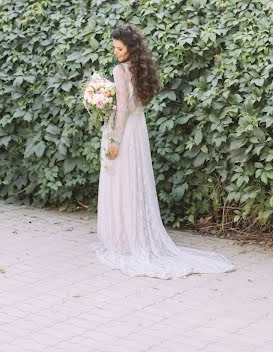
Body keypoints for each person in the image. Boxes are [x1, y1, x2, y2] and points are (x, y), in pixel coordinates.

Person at [92, 23, 235, 279]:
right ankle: (132, 235)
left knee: (121, 182)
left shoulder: (119, 71)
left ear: (130, 48)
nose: (115, 52)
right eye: (114, 48)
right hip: (139, 129)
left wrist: (114, 140)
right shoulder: (141, 69)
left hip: (125, 131)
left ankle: (122, 240)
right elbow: (136, 105)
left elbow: (122, 108)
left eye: (119, 48)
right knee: (133, 183)